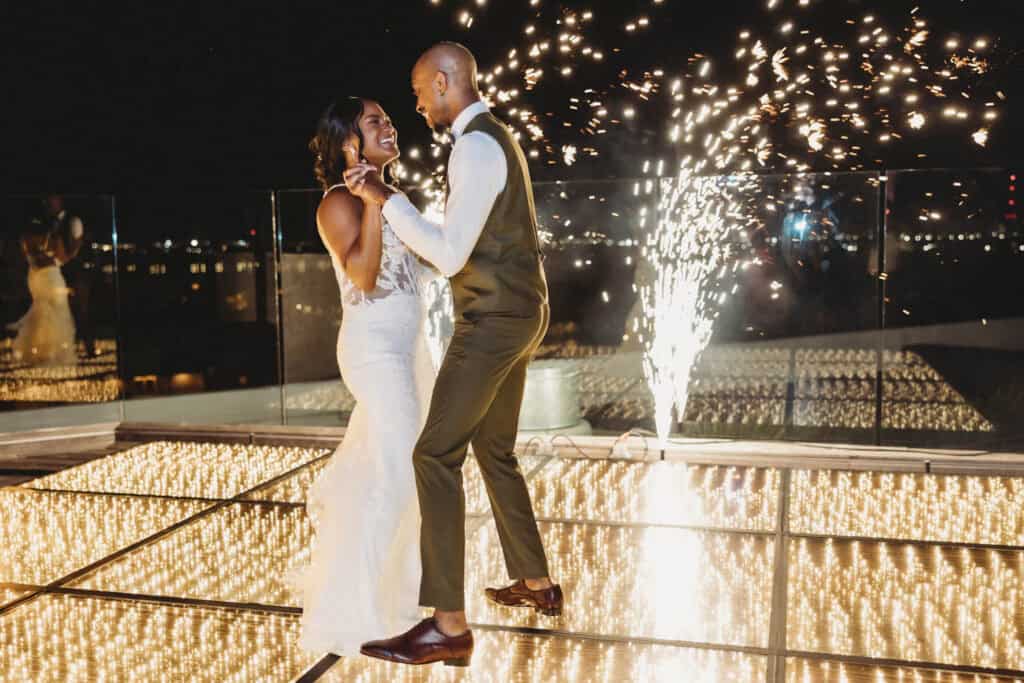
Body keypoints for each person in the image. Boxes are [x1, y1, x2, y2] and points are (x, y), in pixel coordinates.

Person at [345, 42, 563, 668]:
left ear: (444, 82)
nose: (415, 104)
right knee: (493, 450)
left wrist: (388, 200)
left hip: (493, 320)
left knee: (433, 453)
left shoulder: (476, 145)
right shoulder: (495, 138)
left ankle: (447, 625)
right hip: (522, 310)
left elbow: (449, 255)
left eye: (419, 90)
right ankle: (536, 581)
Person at [291, 96, 437, 656]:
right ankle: (355, 612)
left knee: (401, 473)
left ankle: (397, 596)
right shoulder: (336, 204)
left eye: (386, 117)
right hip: (374, 355)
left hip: (408, 351)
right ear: (347, 142)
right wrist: (373, 200)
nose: (389, 124)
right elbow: (367, 277)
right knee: (397, 475)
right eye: (374, 121)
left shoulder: (393, 195)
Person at [9, 194, 82, 366]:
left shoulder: (68, 222)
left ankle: (45, 350)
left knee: (48, 310)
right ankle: (47, 351)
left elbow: (71, 250)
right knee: (49, 311)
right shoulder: (46, 230)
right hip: (46, 274)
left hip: (46, 273)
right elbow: (56, 253)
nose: (48, 205)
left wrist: (52, 259)